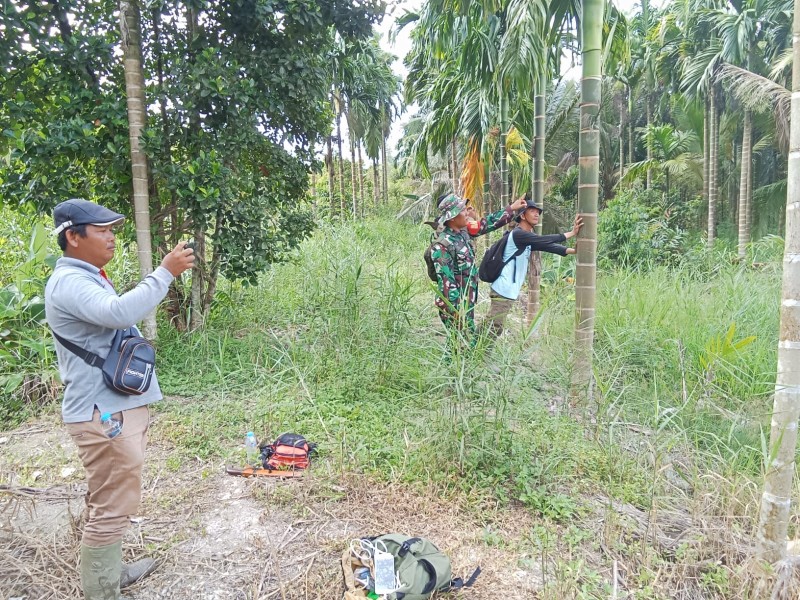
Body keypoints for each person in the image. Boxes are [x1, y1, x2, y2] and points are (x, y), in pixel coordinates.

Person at [44, 198, 194, 600]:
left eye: (113, 229)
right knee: (113, 502)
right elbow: (117, 312)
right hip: (103, 412)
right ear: (72, 237)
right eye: (102, 230)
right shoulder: (71, 282)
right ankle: (102, 591)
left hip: (109, 406)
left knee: (108, 495)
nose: (111, 237)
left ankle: (108, 573)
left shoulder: (86, 274)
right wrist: (164, 273)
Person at [430, 193, 527, 339]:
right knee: (459, 346)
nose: (467, 212)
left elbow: (486, 223)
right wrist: (456, 313)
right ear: (453, 217)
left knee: (462, 347)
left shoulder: (463, 232)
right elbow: (447, 285)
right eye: (462, 210)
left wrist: (511, 208)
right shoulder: (442, 246)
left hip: (467, 302)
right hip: (455, 307)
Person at [484, 197, 583, 337]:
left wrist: (572, 251)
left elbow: (547, 246)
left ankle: (476, 352)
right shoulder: (518, 234)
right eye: (532, 211)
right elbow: (543, 240)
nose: (537, 214)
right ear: (522, 215)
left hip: (507, 290)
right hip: (503, 289)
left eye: (538, 212)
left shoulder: (527, 237)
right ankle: (477, 354)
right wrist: (571, 233)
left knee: (493, 325)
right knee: (494, 326)